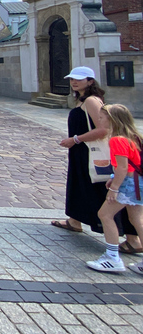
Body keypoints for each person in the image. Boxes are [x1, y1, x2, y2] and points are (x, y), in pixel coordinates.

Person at [54, 67, 141, 253]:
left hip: (91, 152)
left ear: (91, 81)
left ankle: (131, 238)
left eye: (79, 79)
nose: (74, 83)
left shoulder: (92, 101)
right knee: (81, 186)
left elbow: (103, 129)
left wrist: (75, 139)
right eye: (71, 80)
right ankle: (75, 220)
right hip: (82, 152)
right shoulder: (82, 99)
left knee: (102, 191)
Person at [86, 104, 143, 274]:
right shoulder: (135, 137)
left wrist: (115, 187)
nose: (100, 119)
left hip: (128, 183)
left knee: (105, 214)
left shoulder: (117, 139)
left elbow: (122, 168)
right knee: (137, 219)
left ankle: (112, 257)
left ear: (111, 119)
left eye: (102, 117)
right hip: (138, 182)